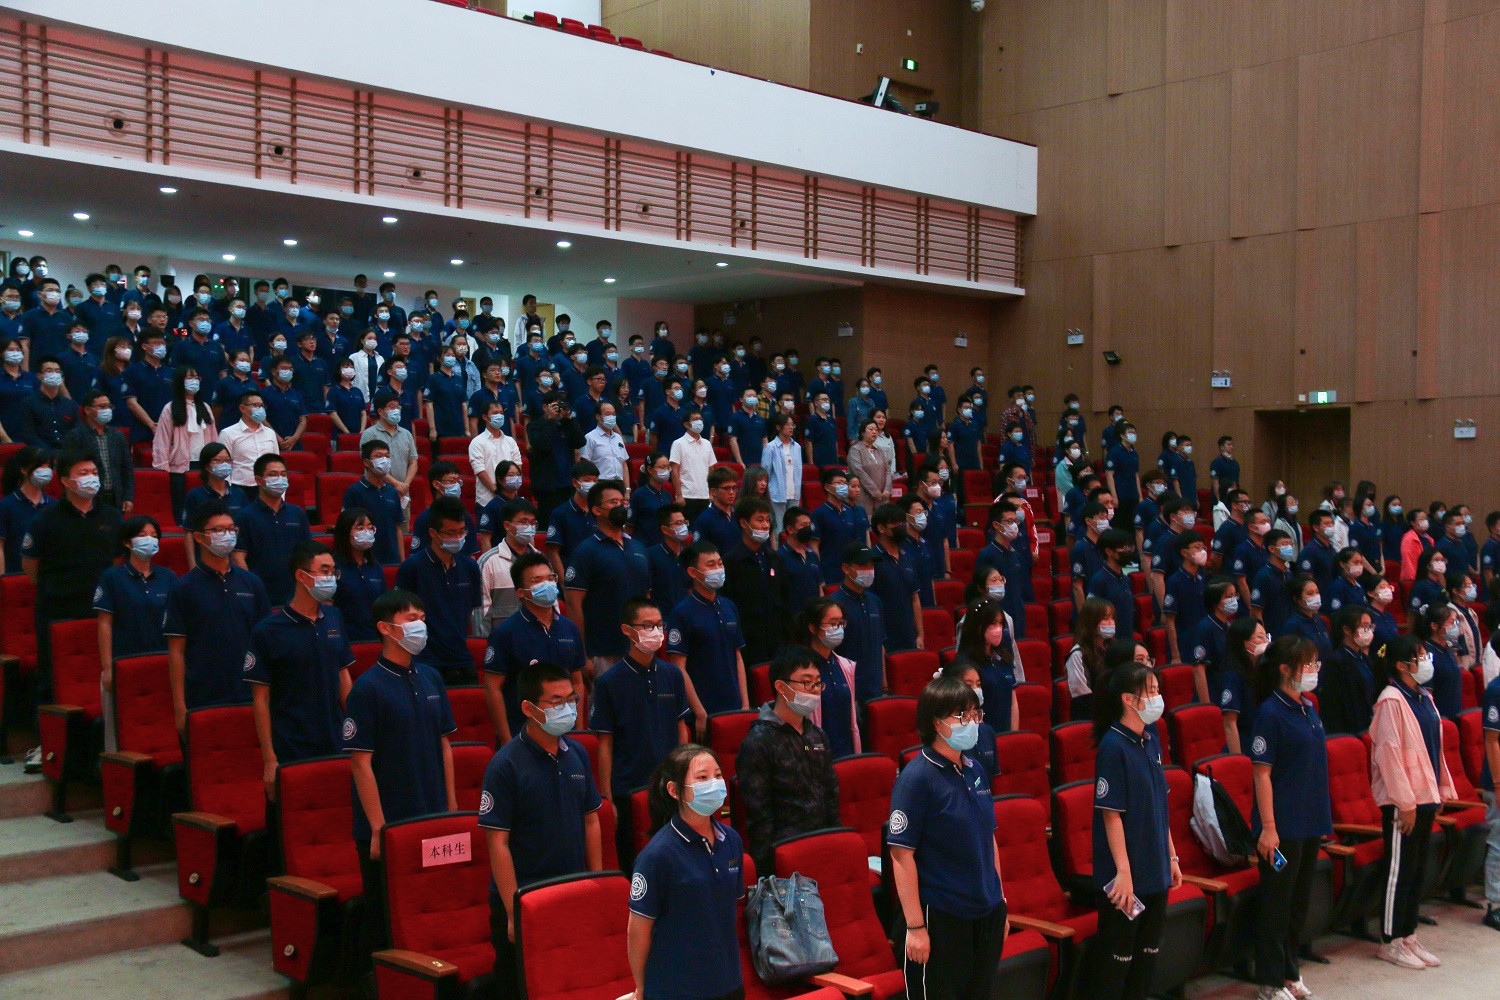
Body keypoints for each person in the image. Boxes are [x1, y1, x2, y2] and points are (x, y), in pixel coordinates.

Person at [480, 660, 604, 999]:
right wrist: (512, 911)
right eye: (555, 701)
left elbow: (591, 820)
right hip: (527, 897)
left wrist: (596, 883)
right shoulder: (505, 765)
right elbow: (498, 844)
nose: (567, 708)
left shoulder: (577, 753)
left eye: (571, 699)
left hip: (572, 890)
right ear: (528, 708)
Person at [343, 589, 458, 955]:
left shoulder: (431, 677)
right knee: (386, 915)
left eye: (422, 618)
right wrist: (378, 829)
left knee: (434, 903)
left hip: (432, 814)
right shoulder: (368, 688)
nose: (420, 625)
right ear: (385, 628)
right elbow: (361, 763)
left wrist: (451, 808)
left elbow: (444, 745)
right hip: (391, 822)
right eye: (411, 619)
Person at [888, 676, 1009, 1000]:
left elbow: (988, 837)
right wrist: (915, 927)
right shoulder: (916, 779)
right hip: (943, 916)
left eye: (975, 714)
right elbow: (901, 855)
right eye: (961, 715)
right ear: (936, 722)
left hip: (987, 911)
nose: (971, 722)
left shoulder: (975, 769)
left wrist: (1000, 900)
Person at [20, 451, 123, 770]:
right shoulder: (45, 519)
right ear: (65, 481)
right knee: (51, 677)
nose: (92, 477)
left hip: (101, 611)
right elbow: (30, 565)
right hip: (58, 609)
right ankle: (46, 744)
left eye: (94, 471)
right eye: (83, 472)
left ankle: (106, 746)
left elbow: (117, 561)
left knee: (104, 673)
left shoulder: (111, 516)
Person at [1248, 635, 1334, 1000]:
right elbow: (1261, 773)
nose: (1314, 670)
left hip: (1310, 821)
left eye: (1316, 663)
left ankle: (1290, 971)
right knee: (1277, 905)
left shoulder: (1308, 706)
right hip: (1282, 827)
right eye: (1307, 664)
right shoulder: (1270, 713)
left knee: (1299, 903)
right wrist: (1268, 828)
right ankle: (1270, 981)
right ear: (1286, 669)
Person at [1091, 659, 1180, 1000]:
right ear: (1129, 699)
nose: (1158, 698)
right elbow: (1111, 815)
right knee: (1118, 963)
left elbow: (1161, 803)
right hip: (1126, 877)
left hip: (1155, 868)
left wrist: (1171, 857)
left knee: (1147, 958)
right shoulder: (1113, 747)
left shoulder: (1151, 739)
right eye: (1151, 691)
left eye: (1158, 690)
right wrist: (1123, 873)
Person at [626, 744, 744, 1000]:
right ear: (674, 790)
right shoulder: (657, 855)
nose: (713, 783)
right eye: (702, 777)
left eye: (717, 775)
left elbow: (728, 913)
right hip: (677, 989)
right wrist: (641, 987)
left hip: (728, 981)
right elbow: (638, 931)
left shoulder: (732, 840)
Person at [1368, 635, 1456, 969]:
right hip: (1402, 802)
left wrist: (1439, 790)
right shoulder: (1391, 700)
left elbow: (1435, 747)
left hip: (1425, 795)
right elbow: (1388, 755)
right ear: (1401, 664)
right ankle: (1389, 940)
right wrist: (1405, 803)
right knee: (1399, 869)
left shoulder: (1424, 696)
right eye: (1420, 656)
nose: (1426, 661)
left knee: (1417, 868)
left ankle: (1408, 934)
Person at [248, 541, 354, 809]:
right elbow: (261, 699)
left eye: (333, 572)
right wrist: (269, 759)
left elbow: (343, 675)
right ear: (301, 576)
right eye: (324, 571)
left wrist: (356, 729)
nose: (331, 578)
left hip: (334, 737)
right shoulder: (268, 630)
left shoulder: (334, 617)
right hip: (292, 743)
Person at [591, 598, 691, 862]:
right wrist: (608, 797)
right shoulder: (609, 682)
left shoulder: (672, 675)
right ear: (627, 630)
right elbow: (605, 743)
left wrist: (685, 777)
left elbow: (681, 730)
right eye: (647, 626)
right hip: (628, 787)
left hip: (669, 786)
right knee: (636, 859)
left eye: (659, 625)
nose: (655, 632)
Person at [164, 501, 272, 736]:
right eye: (218, 530)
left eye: (231, 529)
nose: (227, 535)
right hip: (204, 694)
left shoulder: (252, 583)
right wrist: (180, 706)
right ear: (200, 537)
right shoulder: (183, 588)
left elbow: (267, 642)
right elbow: (176, 651)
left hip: (249, 690)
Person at [484, 552, 585, 746]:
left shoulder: (569, 628)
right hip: (523, 734)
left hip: (565, 733)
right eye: (536, 580)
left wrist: (578, 732)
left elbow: (577, 681)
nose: (546, 584)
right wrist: (507, 741)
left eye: (550, 578)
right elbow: (493, 688)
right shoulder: (506, 633)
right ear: (521, 592)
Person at [93, 515, 175, 752]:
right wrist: (108, 668)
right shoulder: (112, 577)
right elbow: (104, 624)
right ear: (127, 542)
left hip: (161, 662)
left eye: (154, 535)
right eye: (142, 535)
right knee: (119, 733)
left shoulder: (168, 577)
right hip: (125, 663)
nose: (150, 540)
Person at [565, 480, 653, 679]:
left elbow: (647, 597)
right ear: (597, 510)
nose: (620, 506)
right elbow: (573, 604)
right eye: (613, 502)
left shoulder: (638, 548)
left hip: (639, 648)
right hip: (602, 651)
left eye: (623, 502)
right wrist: (582, 654)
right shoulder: (586, 551)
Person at [395, 495, 483, 682]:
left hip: (461, 657)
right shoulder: (412, 567)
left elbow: (469, 613)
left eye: (461, 532)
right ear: (433, 533)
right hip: (425, 659)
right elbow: (401, 617)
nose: (458, 538)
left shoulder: (470, 567)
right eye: (451, 533)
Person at [721, 496, 784, 666]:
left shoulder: (774, 558)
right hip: (748, 641)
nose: (765, 525)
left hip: (776, 639)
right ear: (743, 523)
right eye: (759, 520)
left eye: (767, 520)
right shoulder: (731, 561)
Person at [62, 389, 136, 513]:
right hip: (87, 496)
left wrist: (128, 497)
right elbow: (67, 469)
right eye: (102, 406)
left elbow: (127, 469)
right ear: (87, 410)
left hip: (115, 498)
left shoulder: (118, 436)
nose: (107, 410)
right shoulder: (75, 436)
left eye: (109, 406)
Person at [831, 543, 887, 704]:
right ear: (846, 568)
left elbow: (880, 645)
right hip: (846, 690)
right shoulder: (833, 605)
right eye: (863, 565)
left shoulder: (875, 602)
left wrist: (884, 687)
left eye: (871, 565)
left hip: (875, 689)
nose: (869, 570)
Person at [478, 498, 542, 627]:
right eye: (523, 522)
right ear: (507, 525)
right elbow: (481, 611)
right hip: (502, 636)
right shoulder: (488, 562)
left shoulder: (541, 560)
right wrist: (484, 638)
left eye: (532, 523)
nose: (529, 527)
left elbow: (551, 604)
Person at [329, 507, 385, 643]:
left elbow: (383, 604)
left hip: (374, 638)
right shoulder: (332, 567)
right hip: (345, 639)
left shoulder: (375, 567)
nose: (367, 532)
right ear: (345, 532)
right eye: (360, 528)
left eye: (370, 528)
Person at [0, 446, 55, 574]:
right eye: (40, 466)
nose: (45, 470)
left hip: (48, 575)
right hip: (16, 574)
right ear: (24, 469)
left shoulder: (54, 505)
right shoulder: (6, 505)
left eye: (48, 466)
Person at [1217, 617, 1268, 754]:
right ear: (1243, 643)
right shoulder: (1232, 677)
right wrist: (1238, 761)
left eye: (1266, 636)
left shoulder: (1263, 670)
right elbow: (1230, 723)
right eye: (1260, 637)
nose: (1266, 641)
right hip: (1245, 746)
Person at [1065, 598, 1116, 721]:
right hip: (1090, 718)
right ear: (1091, 622)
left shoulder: (1114, 647)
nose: (1111, 623)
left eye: (1112, 618)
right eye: (1105, 618)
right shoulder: (1078, 654)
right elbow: (1082, 698)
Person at [1413, 605, 1464, 720]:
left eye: (1456, 623)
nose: (1455, 627)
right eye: (1451, 623)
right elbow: (1426, 694)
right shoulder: (1426, 653)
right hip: (1439, 717)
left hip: (1455, 714)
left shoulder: (1448, 648)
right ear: (1434, 626)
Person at [812, 467, 861, 584]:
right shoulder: (819, 513)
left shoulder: (850, 512)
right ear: (827, 487)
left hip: (849, 571)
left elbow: (855, 543)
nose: (843, 486)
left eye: (845, 483)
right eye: (839, 483)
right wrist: (819, 575)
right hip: (829, 572)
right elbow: (814, 546)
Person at [469, 401, 523, 509]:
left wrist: (511, 489)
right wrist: (498, 492)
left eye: (501, 413)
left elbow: (518, 465)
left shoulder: (510, 441)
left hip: (511, 500)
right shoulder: (477, 442)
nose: (499, 416)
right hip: (486, 500)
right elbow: (480, 470)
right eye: (495, 413)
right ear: (485, 417)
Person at [668, 409, 715, 521]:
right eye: (695, 419)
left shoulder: (707, 444)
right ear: (686, 424)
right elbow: (674, 470)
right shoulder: (678, 443)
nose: (699, 422)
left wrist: (711, 493)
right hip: (686, 495)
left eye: (700, 419)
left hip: (704, 496)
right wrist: (679, 495)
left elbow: (711, 469)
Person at [1281, 575, 1332, 663]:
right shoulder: (1292, 625)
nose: (1316, 596)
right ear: (1298, 599)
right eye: (1310, 593)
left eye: (1317, 592)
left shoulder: (1319, 620)